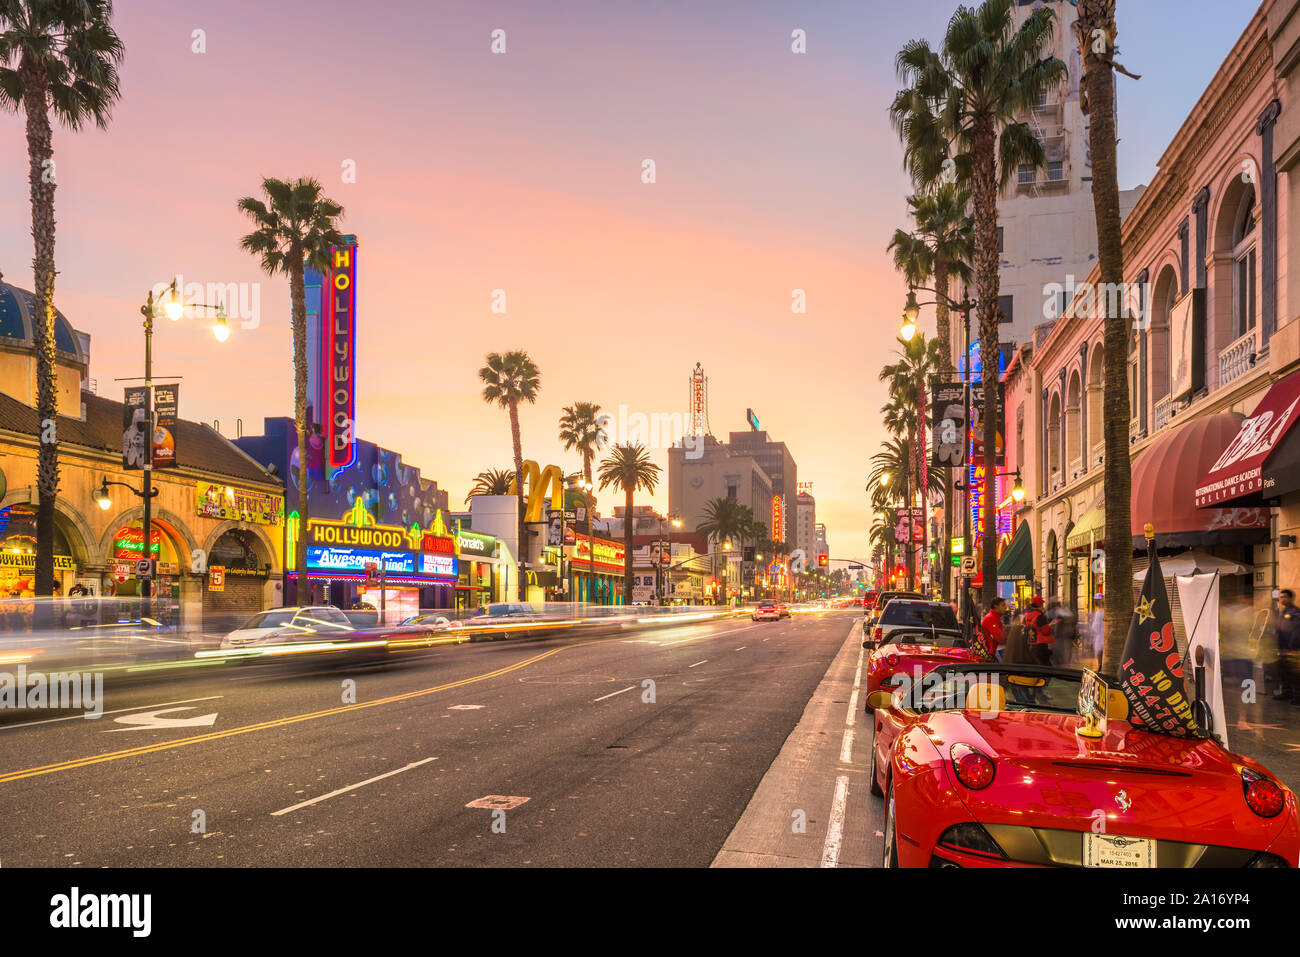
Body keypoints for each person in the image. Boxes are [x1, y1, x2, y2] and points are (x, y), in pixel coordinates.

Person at [1275, 590, 1300, 699]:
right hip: (1282, 648)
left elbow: (1296, 632)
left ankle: (1297, 696)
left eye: (1284, 597)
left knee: (1295, 674)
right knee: (1283, 672)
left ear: (1291, 598)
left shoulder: (1295, 613)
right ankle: (1286, 693)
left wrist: (1292, 648)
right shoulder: (1283, 612)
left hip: (1292, 649)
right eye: (1280, 597)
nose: (1282, 599)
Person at [1023, 595, 1055, 667]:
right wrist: (1050, 626)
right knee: (1046, 666)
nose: (1043, 606)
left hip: (1031, 643)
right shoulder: (1040, 616)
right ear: (1039, 605)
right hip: (1041, 645)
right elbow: (1046, 631)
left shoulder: (1026, 615)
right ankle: (1045, 678)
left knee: (1037, 665)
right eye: (1042, 604)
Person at [976, 597, 1007, 662]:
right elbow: (1000, 638)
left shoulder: (995, 618)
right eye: (1003, 605)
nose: (1005, 607)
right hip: (991, 654)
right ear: (996, 606)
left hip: (993, 653)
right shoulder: (991, 619)